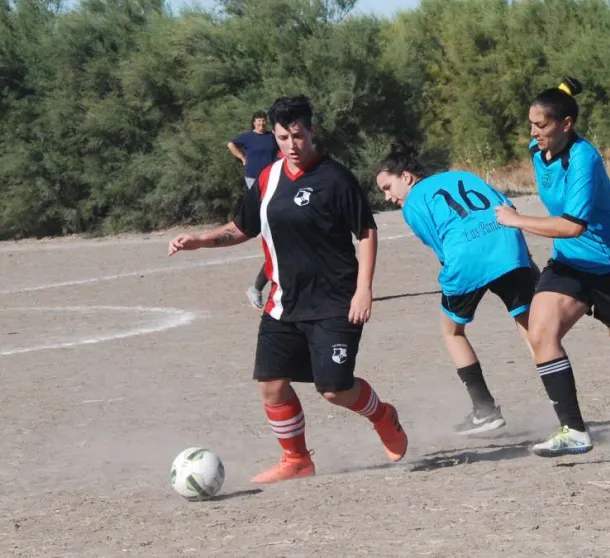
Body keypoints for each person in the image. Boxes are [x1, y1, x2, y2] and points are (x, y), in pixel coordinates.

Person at [170, 95, 407, 483]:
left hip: (335, 302)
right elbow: (242, 227)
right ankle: (296, 459)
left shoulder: (336, 178)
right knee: (272, 386)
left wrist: (364, 289)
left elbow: (365, 232)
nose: (292, 145)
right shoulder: (269, 177)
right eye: (283, 137)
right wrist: (200, 239)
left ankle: (382, 414)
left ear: (312, 131)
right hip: (284, 303)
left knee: (334, 389)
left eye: (298, 136)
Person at [495, 77, 610, 457]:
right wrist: (563, 88)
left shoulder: (585, 157)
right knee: (540, 333)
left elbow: (572, 225)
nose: (534, 132)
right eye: (531, 124)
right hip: (570, 266)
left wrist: (517, 220)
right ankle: (575, 430)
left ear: (566, 125)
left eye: (542, 125)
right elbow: (557, 107)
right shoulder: (538, 150)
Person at [375, 140, 539, 436]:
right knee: (531, 327)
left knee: (452, 331)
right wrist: (525, 258)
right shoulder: (462, 175)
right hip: (508, 246)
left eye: (387, 187)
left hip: (466, 259)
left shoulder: (412, 203)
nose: (387, 197)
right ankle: (562, 403)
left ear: (407, 177)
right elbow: (508, 207)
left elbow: (442, 249)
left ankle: (484, 410)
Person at [227, 110, 280, 310]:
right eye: (258, 121)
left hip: (272, 174)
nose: (261, 123)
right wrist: (242, 158)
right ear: (254, 123)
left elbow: (280, 151)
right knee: (266, 205)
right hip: (255, 177)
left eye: (263, 120)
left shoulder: (272, 137)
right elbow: (231, 143)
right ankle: (265, 226)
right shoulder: (248, 137)